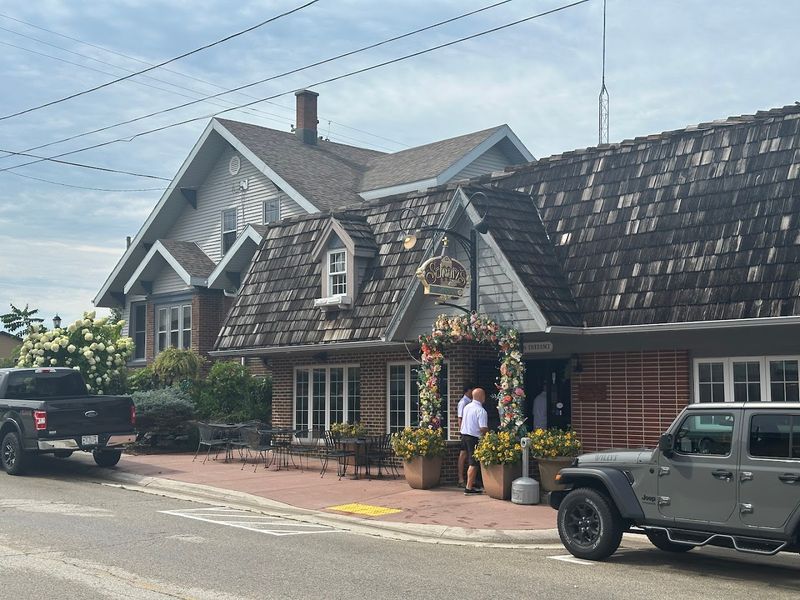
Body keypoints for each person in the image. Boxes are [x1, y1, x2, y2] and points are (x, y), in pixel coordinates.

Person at [460, 387, 488, 495]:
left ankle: (473, 482)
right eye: (484, 395)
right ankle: (468, 488)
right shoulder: (481, 411)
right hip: (473, 438)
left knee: (470, 461)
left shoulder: (467, 407)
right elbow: (483, 428)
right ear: (480, 397)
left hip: (464, 435)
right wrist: (489, 435)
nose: (485, 397)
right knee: (474, 463)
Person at [456, 384, 474, 488]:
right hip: (465, 433)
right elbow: (460, 418)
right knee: (463, 455)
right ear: (468, 390)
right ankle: (460, 478)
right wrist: (462, 431)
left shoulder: (470, 402)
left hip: (469, 432)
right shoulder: (463, 403)